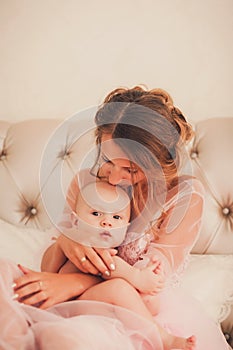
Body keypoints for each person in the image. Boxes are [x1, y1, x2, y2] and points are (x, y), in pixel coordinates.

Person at [1, 85, 229, 349]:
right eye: (108, 160)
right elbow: (50, 267)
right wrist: (66, 241)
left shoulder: (183, 197)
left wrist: (71, 283)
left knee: (63, 339)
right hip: (66, 289)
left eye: (130, 169)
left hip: (129, 306)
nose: (114, 178)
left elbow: (147, 284)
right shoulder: (87, 183)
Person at [52, 180, 196, 350]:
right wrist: (138, 277)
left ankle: (145, 315)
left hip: (90, 303)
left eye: (116, 217)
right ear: (75, 221)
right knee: (119, 289)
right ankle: (163, 339)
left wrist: (149, 279)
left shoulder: (112, 251)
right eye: (96, 213)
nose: (107, 222)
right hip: (68, 305)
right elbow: (108, 268)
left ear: (125, 229)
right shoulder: (84, 243)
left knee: (149, 301)